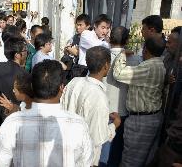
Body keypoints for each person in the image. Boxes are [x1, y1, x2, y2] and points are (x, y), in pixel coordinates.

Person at [0, 60, 93, 166]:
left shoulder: (13, 122)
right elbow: (85, 163)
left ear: (32, 86)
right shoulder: (78, 124)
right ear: (61, 87)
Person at [61, 46, 121, 166]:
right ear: (106, 66)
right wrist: (115, 125)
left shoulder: (74, 82)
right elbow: (98, 137)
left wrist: (103, 115)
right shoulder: (99, 97)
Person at [113, 37, 166, 167]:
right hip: (153, 116)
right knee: (145, 160)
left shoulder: (148, 67)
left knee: (131, 161)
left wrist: (122, 54)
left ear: (145, 50)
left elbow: (119, 74)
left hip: (141, 121)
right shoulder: (161, 64)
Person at [101, 26, 140, 167]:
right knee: (115, 154)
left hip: (103, 110)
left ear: (110, 39)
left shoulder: (101, 56)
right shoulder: (135, 60)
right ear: (127, 40)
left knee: (101, 152)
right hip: (122, 111)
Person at [0, 37, 27, 128]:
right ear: (17, 55)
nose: (27, 53)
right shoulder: (24, 74)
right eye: (25, 51)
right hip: (15, 118)